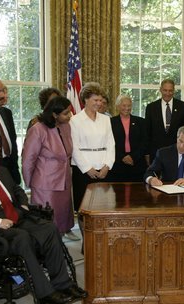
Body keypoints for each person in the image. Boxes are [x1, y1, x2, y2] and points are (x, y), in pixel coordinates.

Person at [0, 128, 86, 304]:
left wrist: (23, 203)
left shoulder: (0, 170)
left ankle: (64, 285)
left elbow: (17, 190)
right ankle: (45, 294)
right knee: (22, 237)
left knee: (49, 228)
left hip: (15, 217)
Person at [22, 96, 78, 241]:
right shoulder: (38, 129)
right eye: (66, 113)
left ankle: (57, 248)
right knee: (47, 222)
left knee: (61, 218)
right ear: (54, 114)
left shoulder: (66, 126)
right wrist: (30, 184)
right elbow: (28, 159)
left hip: (64, 181)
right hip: (45, 184)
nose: (70, 115)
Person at [70, 82, 115, 212]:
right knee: (84, 207)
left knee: (104, 205)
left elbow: (111, 144)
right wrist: (87, 169)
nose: (99, 103)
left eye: (101, 100)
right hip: (83, 171)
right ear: (85, 100)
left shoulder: (106, 120)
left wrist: (107, 166)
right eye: (95, 100)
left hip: (104, 170)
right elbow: (74, 147)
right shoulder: (74, 120)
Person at [144, 79, 184, 164]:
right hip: (156, 152)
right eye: (165, 90)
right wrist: (147, 153)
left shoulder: (183, 107)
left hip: (178, 151)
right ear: (160, 90)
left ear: (174, 91)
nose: (167, 93)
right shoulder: (151, 108)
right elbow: (147, 132)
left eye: (170, 91)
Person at [108, 94, 148, 182]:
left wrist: (133, 157)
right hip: (118, 164)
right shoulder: (110, 122)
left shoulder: (141, 122)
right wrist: (122, 157)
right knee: (119, 193)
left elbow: (145, 142)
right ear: (118, 106)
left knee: (137, 193)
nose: (127, 108)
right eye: (124, 105)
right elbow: (109, 143)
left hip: (137, 163)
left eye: (129, 105)